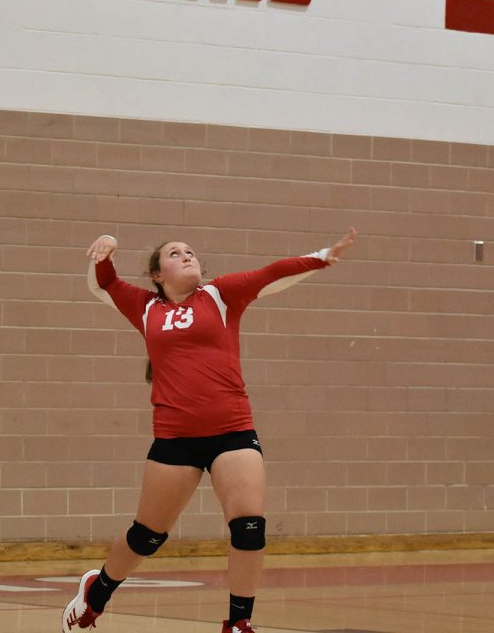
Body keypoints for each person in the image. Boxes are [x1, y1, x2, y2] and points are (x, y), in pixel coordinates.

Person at [62, 228, 356, 633]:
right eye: (174, 253)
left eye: (190, 251)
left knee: (249, 528)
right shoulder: (145, 307)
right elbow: (103, 285)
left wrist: (322, 255)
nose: (186, 256)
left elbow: (272, 274)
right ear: (157, 275)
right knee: (146, 536)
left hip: (232, 431)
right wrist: (106, 248)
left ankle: (238, 623)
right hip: (175, 439)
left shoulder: (219, 295)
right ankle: (97, 591)